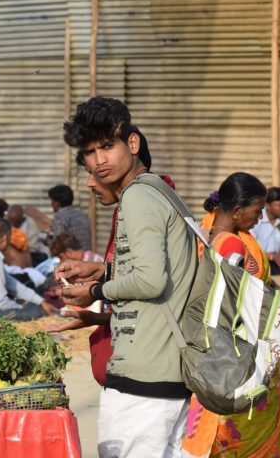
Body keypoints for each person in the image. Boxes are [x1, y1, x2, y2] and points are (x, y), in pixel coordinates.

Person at [55, 97, 197, 457]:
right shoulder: (159, 190)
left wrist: (96, 289)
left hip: (144, 377)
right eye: (89, 152)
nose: (98, 161)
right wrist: (104, 270)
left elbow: (150, 281)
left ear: (131, 144)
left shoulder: (137, 197)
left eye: (107, 146)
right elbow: (161, 268)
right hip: (167, 372)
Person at [182, 172, 280, 458]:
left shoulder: (207, 237)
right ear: (236, 210)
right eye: (256, 211)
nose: (258, 218)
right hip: (237, 360)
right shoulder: (231, 244)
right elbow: (237, 305)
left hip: (210, 355)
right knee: (243, 438)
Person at [47, 184, 92, 251]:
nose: (51, 204)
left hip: (72, 258)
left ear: (57, 203)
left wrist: (48, 239)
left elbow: (57, 245)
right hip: (87, 256)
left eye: (52, 201)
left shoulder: (59, 218)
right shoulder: (83, 215)